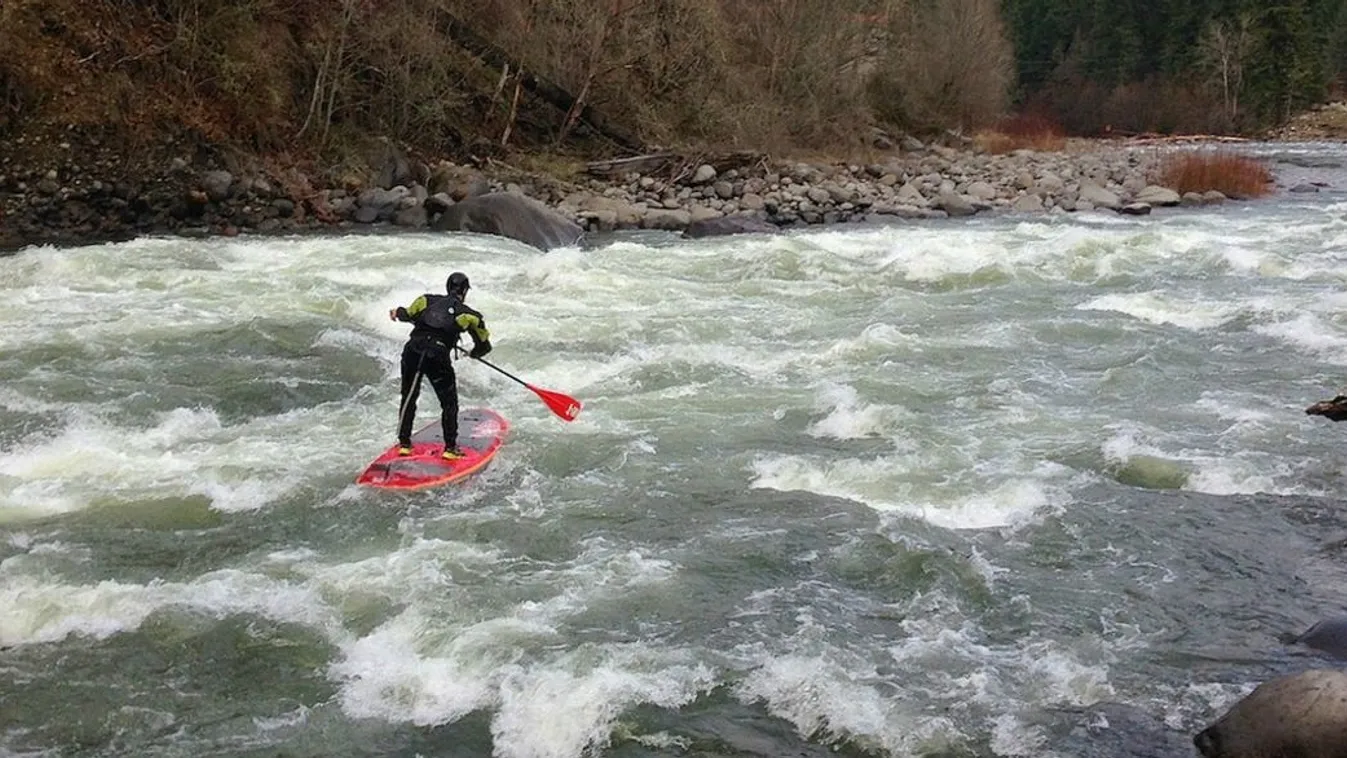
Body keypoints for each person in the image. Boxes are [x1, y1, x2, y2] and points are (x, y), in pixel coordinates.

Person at [387, 271, 492, 459]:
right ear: (465, 291)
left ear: (447, 287)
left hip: (413, 351)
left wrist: (396, 312)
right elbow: (484, 344)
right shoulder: (469, 315)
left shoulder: (426, 300)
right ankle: (450, 449)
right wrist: (475, 353)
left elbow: (408, 314)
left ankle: (404, 444)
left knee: (409, 396)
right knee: (449, 403)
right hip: (437, 357)